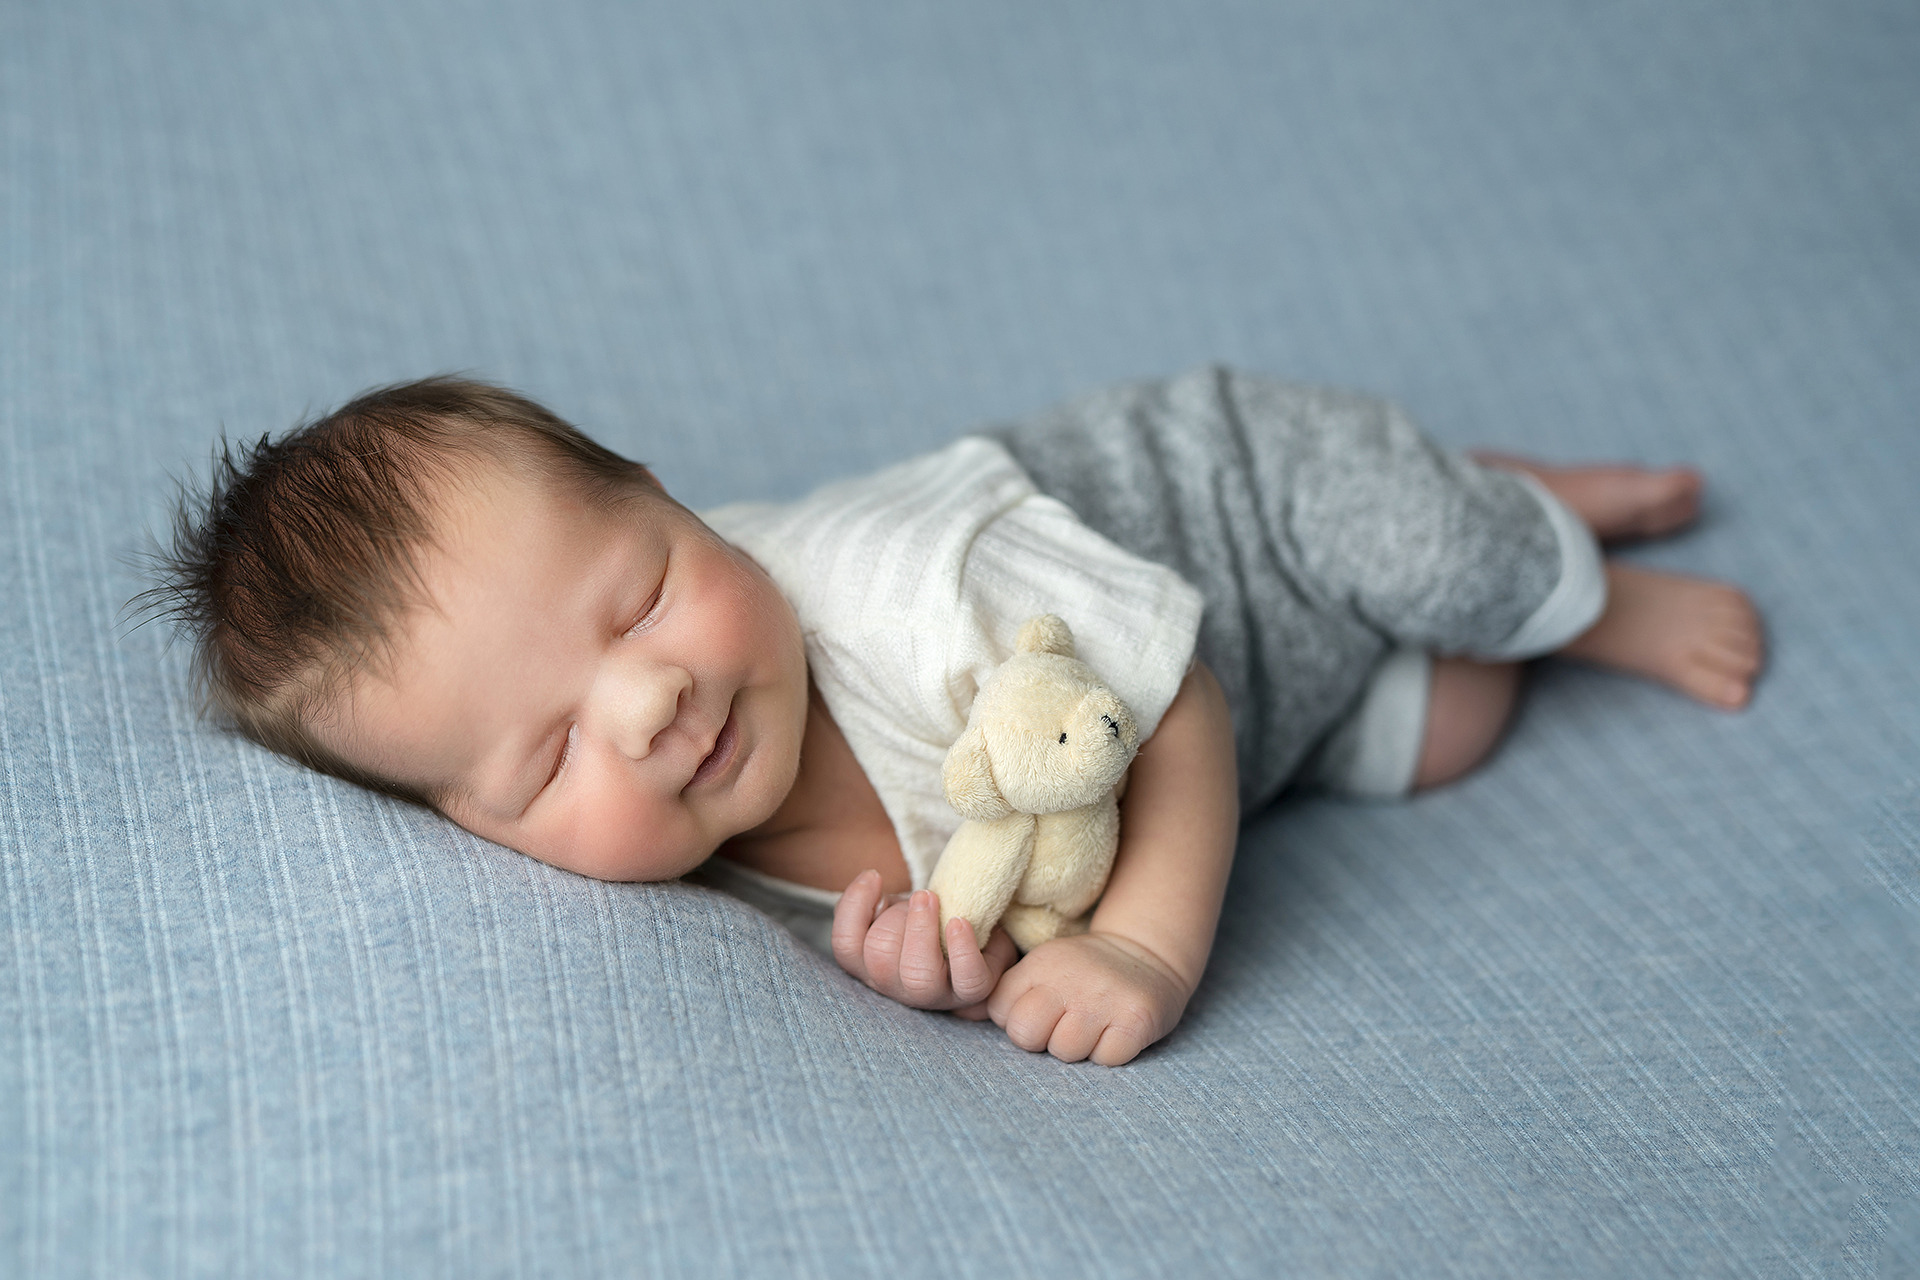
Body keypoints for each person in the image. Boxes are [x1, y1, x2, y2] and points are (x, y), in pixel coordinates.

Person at [140, 366, 1763, 1066]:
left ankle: (1565, 552)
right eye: (548, 758)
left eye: (636, 599)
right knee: (1455, 728)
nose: (646, 705)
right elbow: (1000, 852)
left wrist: (1141, 948)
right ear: (476, 828)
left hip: (1249, 510)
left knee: (1454, 568)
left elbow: (1171, 711)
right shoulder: (690, 841)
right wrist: (940, 961)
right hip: (1292, 714)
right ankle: (1500, 556)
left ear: (667, 494)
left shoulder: (907, 584)